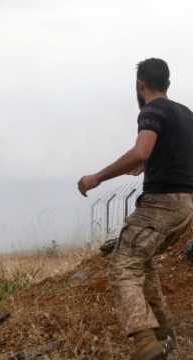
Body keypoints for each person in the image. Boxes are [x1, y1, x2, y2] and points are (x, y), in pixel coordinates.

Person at [78, 58, 193, 360]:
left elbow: (141, 150)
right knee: (142, 262)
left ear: (141, 85)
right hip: (184, 206)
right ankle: (163, 334)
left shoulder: (152, 110)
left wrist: (97, 177)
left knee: (122, 265)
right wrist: (147, 165)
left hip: (160, 205)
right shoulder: (186, 113)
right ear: (168, 82)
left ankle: (144, 342)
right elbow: (162, 156)